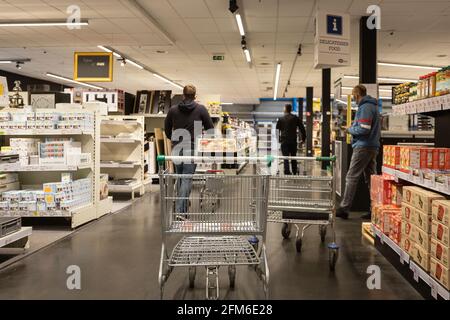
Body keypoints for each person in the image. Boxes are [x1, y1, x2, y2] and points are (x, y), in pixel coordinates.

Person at [164, 84, 214, 214]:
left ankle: (183, 207)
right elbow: (210, 129)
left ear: (183, 95)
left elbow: (167, 130)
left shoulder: (173, 110)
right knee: (186, 178)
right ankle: (180, 211)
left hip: (177, 147)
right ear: (195, 96)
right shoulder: (201, 109)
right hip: (191, 147)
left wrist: (174, 139)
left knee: (181, 177)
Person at [337, 85, 381, 220]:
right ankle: (375, 209)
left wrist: (350, 130)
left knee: (351, 177)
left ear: (357, 94)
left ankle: (344, 209)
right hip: (371, 147)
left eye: (353, 95)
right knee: (372, 180)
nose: (354, 98)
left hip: (363, 147)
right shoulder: (372, 106)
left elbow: (364, 129)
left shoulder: (365, 107)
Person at [276, 104, 306, 175]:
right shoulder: (295, 118)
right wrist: (303, 139)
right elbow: (302, 128)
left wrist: (278, 140)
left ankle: (287, 172)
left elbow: (277, 131)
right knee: (293, 157)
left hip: (284, 141)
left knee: (285, 158)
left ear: (285, 109)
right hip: (293, 141)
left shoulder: (280, 119)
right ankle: (294, 172)